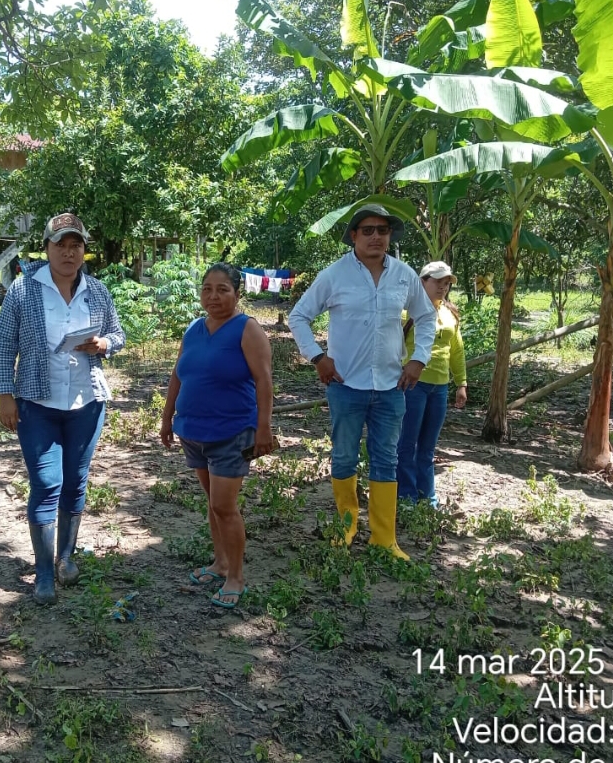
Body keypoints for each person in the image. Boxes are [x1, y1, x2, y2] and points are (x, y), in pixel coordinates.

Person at [0, 212, 126, 605]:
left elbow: (118, 334)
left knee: (75, 481)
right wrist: (5, 394)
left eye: (76, 245)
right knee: (46, 483)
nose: (69, 253)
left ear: (84, 251)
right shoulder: (24, 290)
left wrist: (104, 344)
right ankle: (44, 573)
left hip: (87, 403)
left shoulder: (97, 291)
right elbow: (3, 345)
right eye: (60, 245)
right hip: (37, 404)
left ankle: (66, 558)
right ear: (46, 248)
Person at [288, 203, 436, 559]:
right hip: (345, 386)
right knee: (344, 457)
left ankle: (384, 538)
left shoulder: (403, 275)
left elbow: (426, 317)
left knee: (386, 459)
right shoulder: (334, 275)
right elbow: (299, 316)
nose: (376, 237)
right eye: (367, 230)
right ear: (353, 236)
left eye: (382, 230)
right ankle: (346, 529)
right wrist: (318, 357)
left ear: (389, 236)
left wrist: (418, 359)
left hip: (391, 387)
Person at [160, 263, 274, 609]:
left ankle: (235, 577)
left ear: (237, 294)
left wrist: (264, 428)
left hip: (232, 432)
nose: (213, 296)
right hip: (193, 431)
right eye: (207, 289)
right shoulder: (194, 329)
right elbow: (178, 375)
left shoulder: (247, 329)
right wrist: (166, 417)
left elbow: (264, 380)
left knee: (224, 506)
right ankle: (220, 563)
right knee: (213, 503)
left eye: (222, 289)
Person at [397, 261, 467, 507]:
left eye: (447, 283)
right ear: (422, 281)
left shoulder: (450, 314)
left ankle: (428, 498)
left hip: (439, 388)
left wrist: (461, 383)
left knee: (427, 447)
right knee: (406, 444)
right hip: (412, 387)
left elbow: (456, 350)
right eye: (438, 281)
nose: (443, 287)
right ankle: (406, 497)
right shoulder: (406, 313)